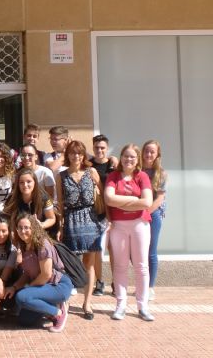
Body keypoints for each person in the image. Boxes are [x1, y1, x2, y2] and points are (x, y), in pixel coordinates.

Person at [104, 143, 154, 322]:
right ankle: (121, 305)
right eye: (126, 156)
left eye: (132, 156)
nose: (129, 159)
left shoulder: (142, 176)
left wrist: (121, 203)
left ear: (137, 159)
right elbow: (108, 199)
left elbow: (147, 202)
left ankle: (143, 306)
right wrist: (134, 200)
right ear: (121, 157)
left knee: (142, 266)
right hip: (118, 226)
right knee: (120, 266)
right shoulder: (113, 176)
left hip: (140, 224)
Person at [55, 140, 104, 320]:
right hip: (71, 221)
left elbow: (102, 193)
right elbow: (60, 203)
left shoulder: (91, 172)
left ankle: (87, 303)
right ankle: (66, 300)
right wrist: (60, 226)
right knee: (69, 265)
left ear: (84, 155)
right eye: (73, 153)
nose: (76, 156)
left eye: (79, 153)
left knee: (88, 264)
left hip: (90, 220)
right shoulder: (61, 176)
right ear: (67, 155)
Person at [4, 214, 73, 333]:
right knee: (24, 320)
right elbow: (27, 274)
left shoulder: (42, 244)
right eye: (20, 228)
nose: (23, 231)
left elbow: (46, 275)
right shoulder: (24, 246)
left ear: (34, 228)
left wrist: (29, 288)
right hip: (43, 287)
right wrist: (14, 287)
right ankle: (52, 306)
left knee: (22, 297)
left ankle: (58, 313)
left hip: (58, 285)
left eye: (26, 227)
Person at [90, 134, 117, 297]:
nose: (99, 150)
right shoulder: (88, 165)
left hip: (113, 210)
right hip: (96, 211)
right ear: (93, 148)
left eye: (102, 148)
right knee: (98, 249)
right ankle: (99, 282)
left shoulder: (114, 165)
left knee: (113, 249)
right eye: (97, 147)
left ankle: (116, 282)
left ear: (107, 148)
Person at [141, 139, 168, 302]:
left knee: (151, 251)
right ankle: (142, 282)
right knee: (137, 252)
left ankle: (150, 287)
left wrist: (146, 213)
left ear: (157, 154)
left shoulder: (161, 173)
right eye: (146, 151)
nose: (149, 154)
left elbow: (160, 198)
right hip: (136, 214)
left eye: (152, 152)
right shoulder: (137, 170)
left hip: (153, 214)